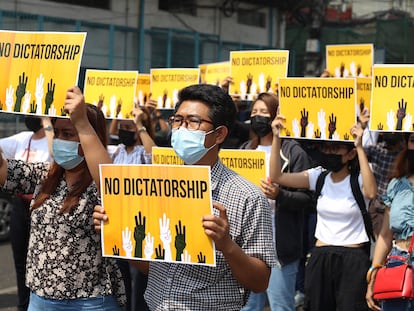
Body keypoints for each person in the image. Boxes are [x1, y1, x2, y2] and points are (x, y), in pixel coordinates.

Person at [94, 83, 277, 310]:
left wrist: (226, 245)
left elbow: (260, 282)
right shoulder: (155, 186)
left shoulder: (247, 197)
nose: (181, 129)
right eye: (178, 120)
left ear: (219, 134)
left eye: (193, 122)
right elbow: (154, 268)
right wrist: (119, 233)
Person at [0, 86, 126, 310]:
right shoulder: (45, 176)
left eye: (68, 134)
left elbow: (108, 179)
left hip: (91, 300)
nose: (58, 140)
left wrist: (82, 122)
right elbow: (3, 170)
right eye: (57, 133)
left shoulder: (102, 180)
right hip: (41, 298)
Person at [269, 115, 377, 311]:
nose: (329, 153)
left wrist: (360, 147)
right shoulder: (318, 176)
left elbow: (371, 192)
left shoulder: (360, 179)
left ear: (350, 154)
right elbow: (277, 176)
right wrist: (277, 138)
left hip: (353, 258)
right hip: (320, 256)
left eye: (335, 149)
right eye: (326, 148)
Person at [240, 93, 314, 311]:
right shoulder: (246, 149)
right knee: (248, 306)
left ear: (275, 116)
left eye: (264, 112)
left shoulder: (293, 152)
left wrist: (280, 195)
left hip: (280, 243)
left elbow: (307, 199)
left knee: (281, 305)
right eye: (254, 112)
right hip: (248, 242)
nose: (258, 117)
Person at [0, 116, 53, 311]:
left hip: (41, 206)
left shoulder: (54, 138)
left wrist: (47, 121)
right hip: (20, 205)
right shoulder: (23, 138)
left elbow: (56, 153)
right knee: (20, 262)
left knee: (39, 263)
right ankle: (23, 305)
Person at [108, 106, 156, 311]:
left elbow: (155, 156)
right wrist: (118, 114)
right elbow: (109, 135)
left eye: (130, 127)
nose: (124, 130)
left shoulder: (142, 152)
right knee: (120, 278)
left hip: (140, 222)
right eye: (123, 126)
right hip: (118, 221)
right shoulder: (117, 150)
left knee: (139, 280)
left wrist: (139, 125)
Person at [366, 132, 414, 311]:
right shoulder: (396, 185)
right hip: (397, 263)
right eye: (413, 140)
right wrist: (373, 275)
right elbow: (385, 236)